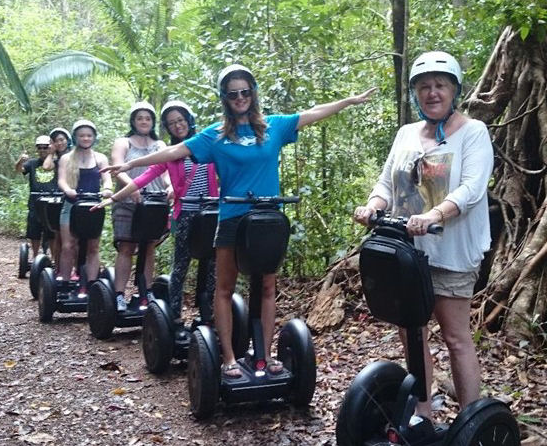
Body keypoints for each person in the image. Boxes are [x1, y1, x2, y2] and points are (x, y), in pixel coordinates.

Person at [97, 64, 375, 378]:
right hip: (231, 217)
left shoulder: (273, 127)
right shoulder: (215, 136)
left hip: (267, 218)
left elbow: (313, 113)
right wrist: (131, 163)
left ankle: (266, 355)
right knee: (224, 288)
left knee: (267, 286)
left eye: (245, 92)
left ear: (252, 94)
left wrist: (348, 101)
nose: (240, 97)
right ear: (225, 99)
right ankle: (228, 356)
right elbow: (175, 150)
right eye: (233, 94)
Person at [352, 51, 493, 419]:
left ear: (454, 91)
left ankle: (471, 421)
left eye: (440, 85)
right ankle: (424, 414)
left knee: (456, 338)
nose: (432, 93)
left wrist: (433, 214)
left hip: (451, 253)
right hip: (407, 253)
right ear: (415, 93)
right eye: (424, 86)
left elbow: (471, 189)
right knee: (412, 334)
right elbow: (387, 184)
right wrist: (372, 206)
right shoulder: (406, 134)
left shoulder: (473, 133)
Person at [99, 100, 219, 319]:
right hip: (186, 214)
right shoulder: (171, 153)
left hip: (211, 213)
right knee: (181, 265)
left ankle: (207, 314)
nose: (177, 125)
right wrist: (115, 197)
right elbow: (146, 176)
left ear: (189, 120)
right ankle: (173, 317)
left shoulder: (208, 144)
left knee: (211, 267)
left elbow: (229, 168)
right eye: (172, 123)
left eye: (181, 120)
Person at [109, 102, 171, 312]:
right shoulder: (123, 142)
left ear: (153, 122)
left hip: (154, 203)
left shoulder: (160, 145)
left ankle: (146, 292)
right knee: (126, 247)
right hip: (128, 202)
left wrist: (170, 186)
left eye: (148, 118)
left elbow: (165, 171)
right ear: (133, 121)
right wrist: (130, 186)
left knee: (149, 247)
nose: (144, 122)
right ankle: (118, 294)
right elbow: (117, 167)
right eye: (140, 118)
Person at [56, 120, 113, 295]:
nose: (86, 138)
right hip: (72, 206)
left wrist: (108, 189)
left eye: (89, 135)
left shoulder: (100, 158)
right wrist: (68, 190)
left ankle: (91, 285)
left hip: (94, 206)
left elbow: (107, 178)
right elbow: (61, 180)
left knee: (93, 246)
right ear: (75, 137)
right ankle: (65, 283)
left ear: (94, 137)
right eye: (82, 135)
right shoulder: (66, 158)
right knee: (68, 245)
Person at [15, 134, 56, 258]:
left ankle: (54, 260)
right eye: (40, 147)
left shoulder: (57, 163)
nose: (42, 150)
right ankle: (35, 257)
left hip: (53, 202)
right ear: (37, 149)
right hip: (35, 202)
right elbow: (19, 170)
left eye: (45, 147)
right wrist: (20, 160)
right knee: (34, 231)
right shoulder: (32, 163)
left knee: (52, 232)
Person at [40, 127, 70, 275]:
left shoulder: (75, 155)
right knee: (58, 237)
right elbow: (46, 167)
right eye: (55, 141)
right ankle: (59, 269)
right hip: (60, 199)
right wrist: (51, 152)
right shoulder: (56, 159)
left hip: (75, 197)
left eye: (61, 139)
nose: (59, 143)